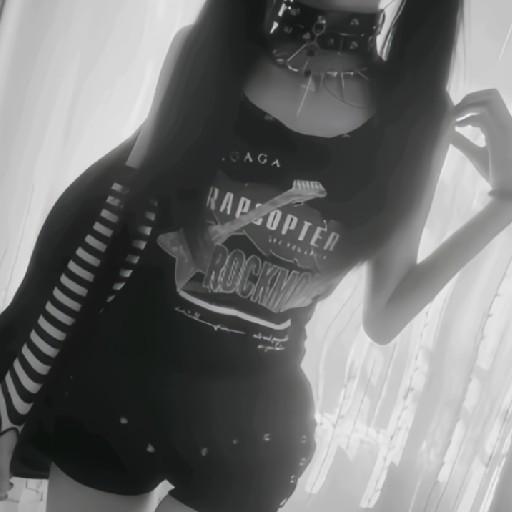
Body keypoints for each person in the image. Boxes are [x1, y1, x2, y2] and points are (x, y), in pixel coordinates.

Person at [0, 0, 511, 510]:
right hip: (119, 392)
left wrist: (505, 203)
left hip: (248, 430)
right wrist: (9, 410)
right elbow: (104, 240)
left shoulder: (417, 116)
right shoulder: (207, 55)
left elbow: (384, 316)